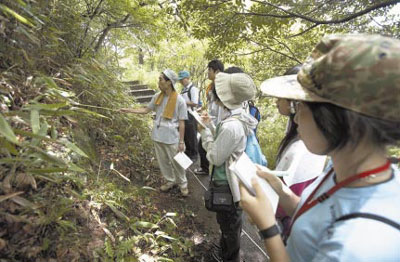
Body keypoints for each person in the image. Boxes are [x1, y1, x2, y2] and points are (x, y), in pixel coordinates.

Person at [239, 34, 400, 262]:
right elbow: (316, 216)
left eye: (301, 106)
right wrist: (280, 190)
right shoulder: (344, 168)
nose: (296, 119)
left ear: (336, 118)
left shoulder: (360, 245)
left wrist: (268, 227)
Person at [198, 72, 258, 262]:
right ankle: (225, 253)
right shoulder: (238, 117)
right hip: (232, 183)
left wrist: (204, 133)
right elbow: (226, 144)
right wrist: (210, 126)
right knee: (230, 226)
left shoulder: (232, 126)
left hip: (227, 185)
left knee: (230, 227)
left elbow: (215, 156)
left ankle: (229, 258)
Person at [273, 65, 327, 242]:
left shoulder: (302, 145)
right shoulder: (305, 136)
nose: (276, 101)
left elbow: (290, 193)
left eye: (280, 97)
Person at [119, 69, 190, 196]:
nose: (159, 81)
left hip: (172, 136)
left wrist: (181, 141)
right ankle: (170, 181)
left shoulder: (179, 100)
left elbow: (182, 122)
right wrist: (128, 110)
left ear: (169, 83)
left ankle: (183, 184)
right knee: (163, 161)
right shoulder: (157, 96)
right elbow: (146, 110)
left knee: (177, 161)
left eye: (161, 79)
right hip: (158, 134)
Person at [194, 59, 224, 176]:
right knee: (202, 144)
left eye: (210, 70)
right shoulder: (211, 87)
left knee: (207, 147)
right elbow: (212, 107)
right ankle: (206, 168)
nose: (208, 73)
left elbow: (219, 111)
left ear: (217, 71)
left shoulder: (221, 88)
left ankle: (207, 169)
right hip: (211, 123)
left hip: (216, 126)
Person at [178, 70, 199, 161]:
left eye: (182, 80)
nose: (181, 82)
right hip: (183, 114)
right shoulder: (183, 89)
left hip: (191, 114)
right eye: (180, 80)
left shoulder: (193, 89)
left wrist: (182, 102)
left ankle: (194, 155)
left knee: (192, 135)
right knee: (185, 135)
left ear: (187, 78)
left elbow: (194, 103)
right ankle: (188, 152)